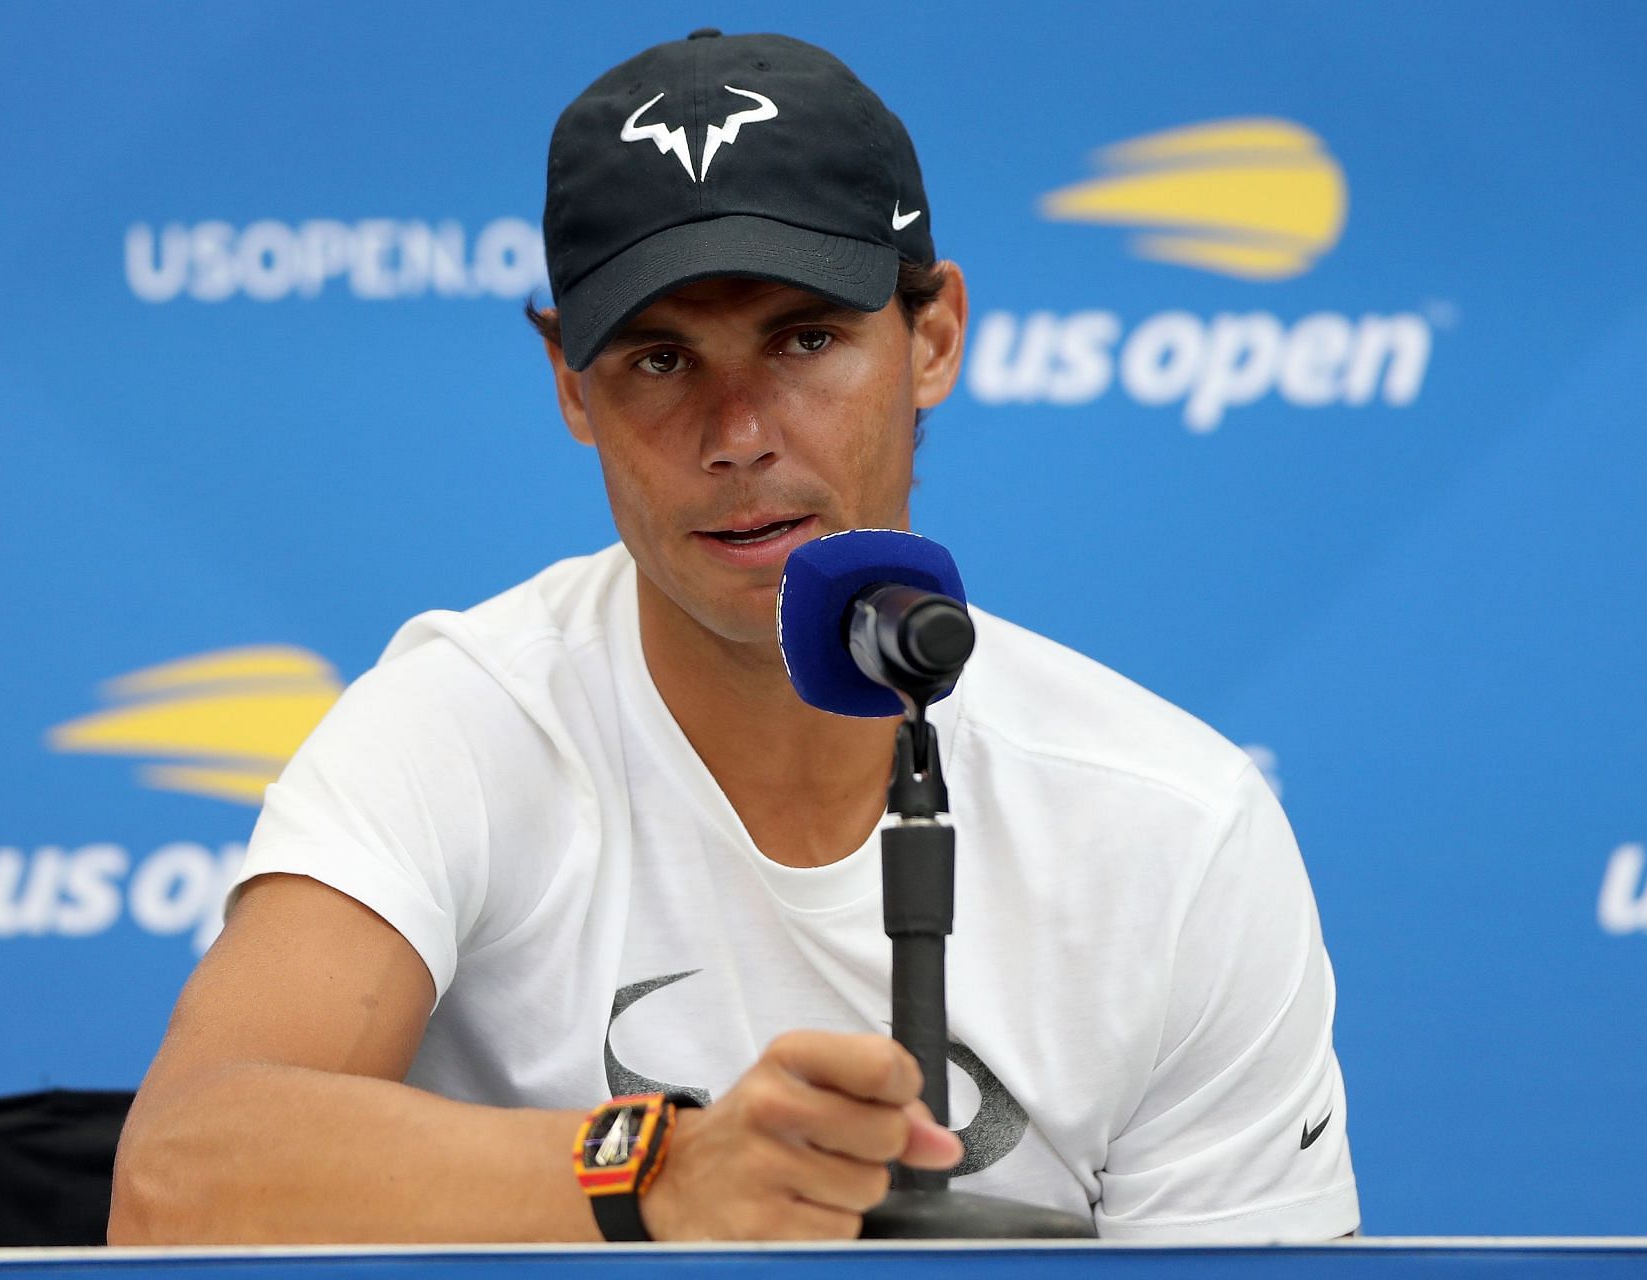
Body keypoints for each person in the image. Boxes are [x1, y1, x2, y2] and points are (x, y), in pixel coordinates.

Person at [108, 29, 1359, 1245]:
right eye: (659, 359)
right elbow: (180, 1174)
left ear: (932, 336)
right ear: (569, 389)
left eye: (805, 338)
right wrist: (657, 1170)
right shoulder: (462, 722)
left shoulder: (1172, 825)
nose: (739, 432)